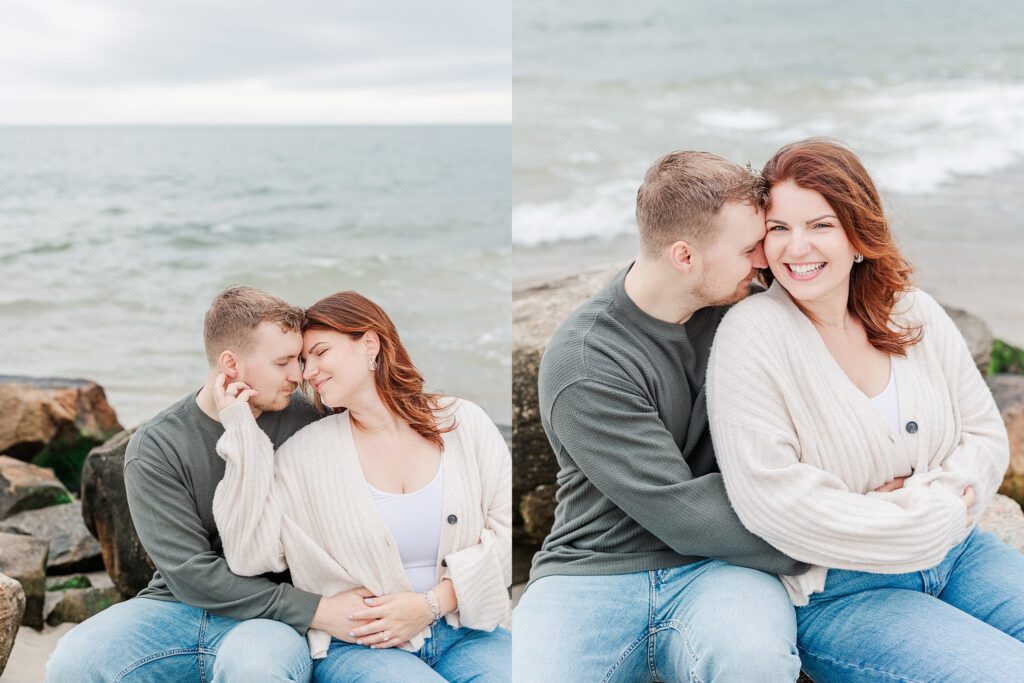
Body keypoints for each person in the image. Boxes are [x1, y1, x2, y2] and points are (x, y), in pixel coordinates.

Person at [707, 138, 1024, 681]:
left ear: (857, 234)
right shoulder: (750, 337)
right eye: (779, 228)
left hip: (960, 553)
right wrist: (928, 517)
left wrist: (930, 506)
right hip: (846, 590)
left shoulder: (912, 311)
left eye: (820, 225)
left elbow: (984, 435)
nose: (797, 247)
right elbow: (774, 503)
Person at [512, 151, 809, 682]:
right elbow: (684, 512)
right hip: (593, 571)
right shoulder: (586, 360)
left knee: (754, 662)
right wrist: (839, 532)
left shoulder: (751, 312)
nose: (763, 262)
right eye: (748, 249)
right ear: (684, 256)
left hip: (722, 570)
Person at [47, 286, 370, 682]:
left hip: (273, 619)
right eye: (283, 362)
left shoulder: (311, 420)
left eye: (298, 359)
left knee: (255, 669)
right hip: (177, 606)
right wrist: (318, 610)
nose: (298, 375)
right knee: (72, 663)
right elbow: (190, 572)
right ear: (230, 364)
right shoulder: (156, 446)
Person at [210, 290, 511, 682]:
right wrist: (240, 429)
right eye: (302, 361)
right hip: (360, 645)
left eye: (320, 352)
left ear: (370, 344)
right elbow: (249, 554)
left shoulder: (464, 423)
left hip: (467, 630)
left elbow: (505, 535)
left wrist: (433, 603)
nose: (307, 372)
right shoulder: (303, 454)